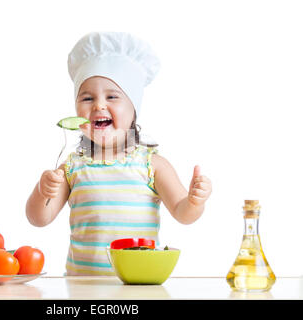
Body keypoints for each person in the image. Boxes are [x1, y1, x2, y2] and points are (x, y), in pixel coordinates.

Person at [26, 32, 212, 276]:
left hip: (138, 287)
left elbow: (183, 213)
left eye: (112, 96)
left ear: (134, 109)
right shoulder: (71, 168)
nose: (98, 105)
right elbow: (39, 219)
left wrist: (195, 201)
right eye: (87, 97)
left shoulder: (152, 165)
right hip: (82, 289)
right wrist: (42, 192)